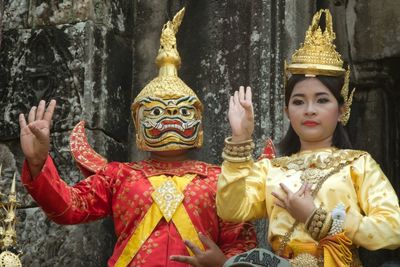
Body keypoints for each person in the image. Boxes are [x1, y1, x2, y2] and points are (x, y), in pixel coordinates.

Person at [19, 8, 256, 267]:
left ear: (199, 122)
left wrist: (223, 264)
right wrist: (38, 162)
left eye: (182, 111)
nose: (170, 119)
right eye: (156, 111)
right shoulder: (119, 176)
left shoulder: (220, 180)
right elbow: (70, 207)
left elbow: (241, 242)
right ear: (138, 121)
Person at [216, 9, 400, 267]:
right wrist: (239, 140)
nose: (309, 110)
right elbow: (231, 210)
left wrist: (316, 218)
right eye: (299, 101)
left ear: (342, 110)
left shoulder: (358, 164)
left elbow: (393, 229)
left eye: (322, 100)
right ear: (287, 111)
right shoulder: (272, 168)